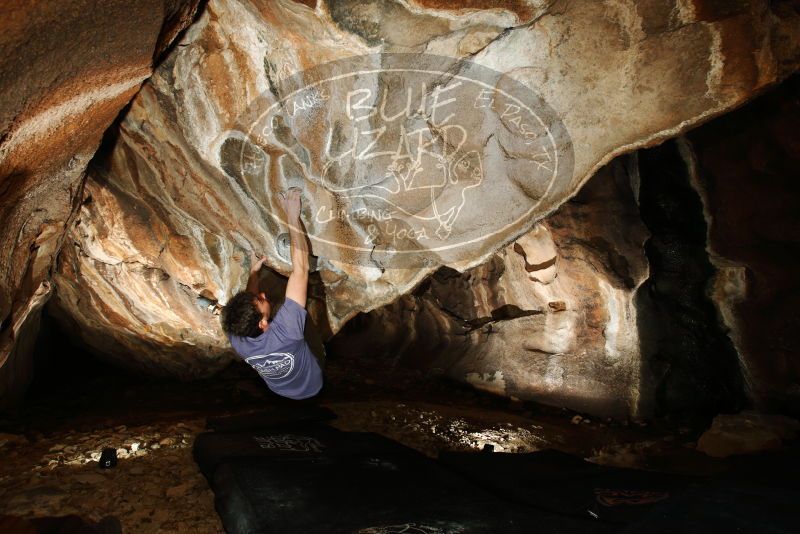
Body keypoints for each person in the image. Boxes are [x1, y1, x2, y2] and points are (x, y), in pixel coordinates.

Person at [220, 189, 324, 400]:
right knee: (297, 314)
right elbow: (301, 270)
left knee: (280, 301)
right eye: (261, 300)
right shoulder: (287, 330)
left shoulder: (238, 338)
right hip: (313, 381)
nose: (263, 294)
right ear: (263, 324)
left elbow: (250, 305)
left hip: (278, 389)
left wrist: (254, 272)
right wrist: (292, 217)